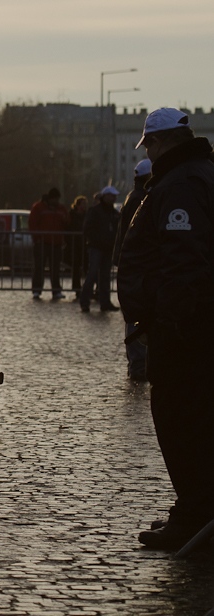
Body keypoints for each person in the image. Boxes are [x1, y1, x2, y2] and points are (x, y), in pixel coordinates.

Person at [118, 107, 214, 551]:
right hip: (189, 325)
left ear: (162, 143)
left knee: (181, 420)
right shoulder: (196, 175)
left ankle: (196, 513)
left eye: (150, 144)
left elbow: (184, 258)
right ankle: (195, 509)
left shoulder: (180, 185)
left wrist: (167, 318)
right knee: (191, 418)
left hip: (184, 331)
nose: (149, 153)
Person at [113, 159, 152, 381]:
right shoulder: (140, 199)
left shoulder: (133, 196)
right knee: (136, 312)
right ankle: (138, 364)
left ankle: (138, 363)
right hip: (137, 263)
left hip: (132, 261)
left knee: (134, 311)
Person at [79, 186, 120, 312]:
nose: (114, 198)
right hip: (96, 247)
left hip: (107, 248)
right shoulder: (96, 211)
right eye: (111, 196)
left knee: (105, 276)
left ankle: (105, 302)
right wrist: (96, 240)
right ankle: (85, 302)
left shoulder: (113, 213)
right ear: (105, 196)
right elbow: (87, 228)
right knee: (92, 274)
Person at [29, 187, 69, 300]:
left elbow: (66, 222)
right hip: (42, 243)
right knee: (39, 267)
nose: (56, 201)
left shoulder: (61, 209)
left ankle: (56, 291)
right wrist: (36, 239)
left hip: (56, 243)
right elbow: (32, 223)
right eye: (55, 199)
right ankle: (37, 289)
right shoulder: (38, 207)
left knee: (55, 268)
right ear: (50, 198)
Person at [67, 195, 89, 297]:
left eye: (85, 204)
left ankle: (87, 288)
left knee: (86, 267)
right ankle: (76, 288)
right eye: (83, 204)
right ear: (78, 205)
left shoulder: (87, 215)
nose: (84, 206)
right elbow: (68, 227)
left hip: (85, 244)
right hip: (74, 244)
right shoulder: (72, 215)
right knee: (76, 267)